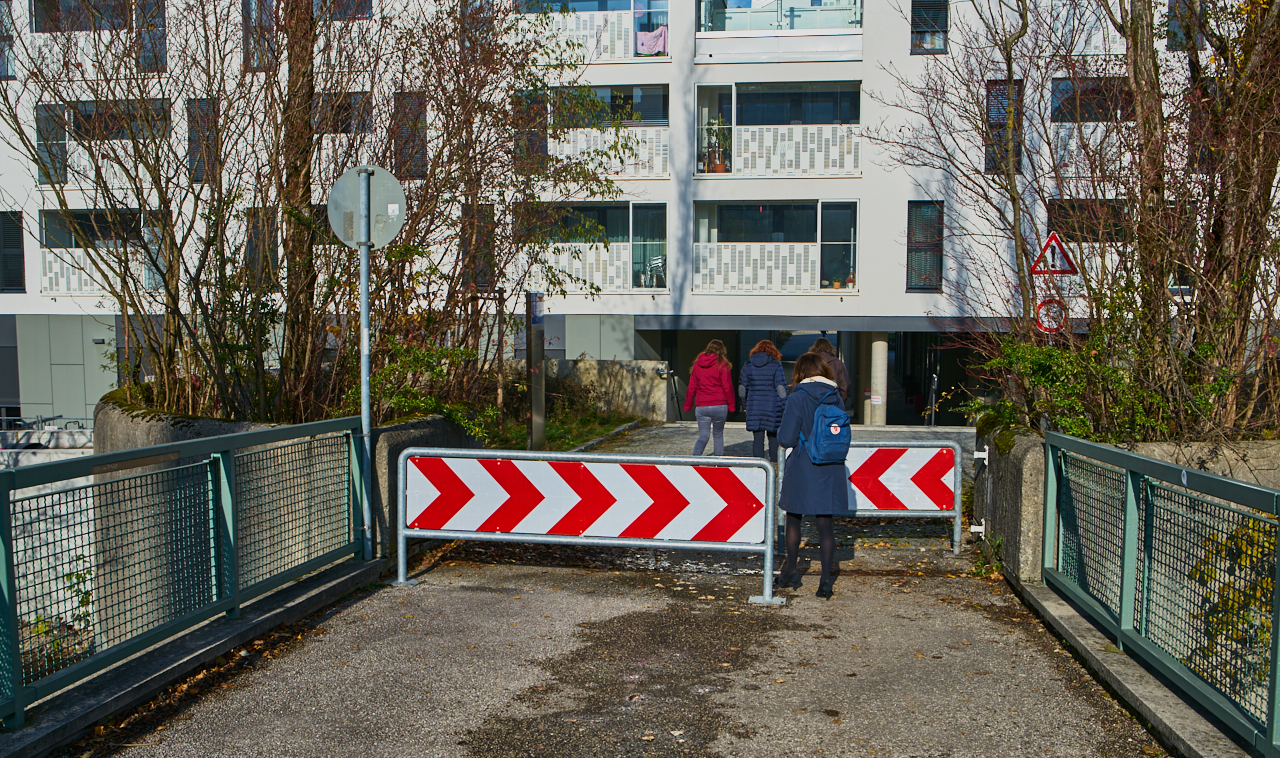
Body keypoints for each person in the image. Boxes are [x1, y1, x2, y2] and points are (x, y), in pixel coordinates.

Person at [777, 352, 845, 599]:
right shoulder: (835, 397)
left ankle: (792, 570)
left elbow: (786, 439)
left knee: (794, 518)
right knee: (825, 525)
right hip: (831, 466)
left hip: (803, 465)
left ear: (801, 372)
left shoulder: (798, 398)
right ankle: (825, 582)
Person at [738, 339, 787, 462]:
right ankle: (775, 466)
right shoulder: (776, 365)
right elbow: (781, 388)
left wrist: (745, 405)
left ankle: (759, 467)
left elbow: (742, 388)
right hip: (773, 407)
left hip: (754, 406)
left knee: (758, 439)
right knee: (773, 438)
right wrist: (785, 406)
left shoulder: (748, 365)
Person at [684, 339, 734, 456]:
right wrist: (731, 406)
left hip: (702, 405)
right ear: (722, 350)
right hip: (719, 405)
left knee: (703, 435)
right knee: (718, 434)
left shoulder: (697, 364)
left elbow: (692, 386)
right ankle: (718, 463)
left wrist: (688, 405)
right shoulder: (722, 364)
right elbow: (727, 387)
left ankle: (695, 458)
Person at [809, 337, 849, 402]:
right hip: (833, 397)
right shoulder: (837, 363)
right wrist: (840, 400)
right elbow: (845, 384)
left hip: (813, 399)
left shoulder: (810, 363)